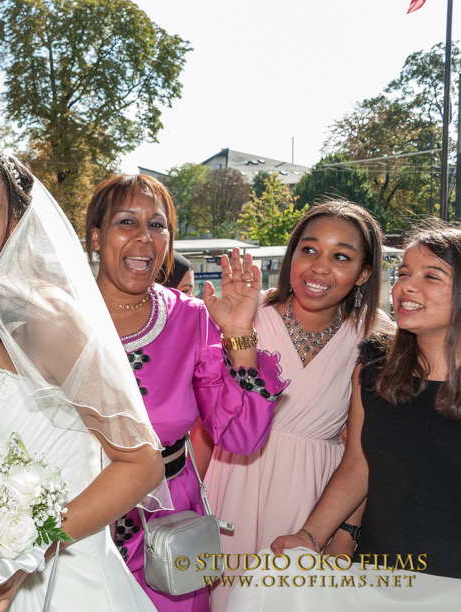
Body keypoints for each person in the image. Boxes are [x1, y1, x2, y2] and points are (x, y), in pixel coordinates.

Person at [0, 140, 170, 612]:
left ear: (14, 225)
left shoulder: (46, 320)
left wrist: (25, 553)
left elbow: (142, 464)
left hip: (67, 579)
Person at [82, 174, 289, 612]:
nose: (144, 238)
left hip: (166, 530)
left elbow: (240, 437)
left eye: (157, 226)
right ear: (96, 236)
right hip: (77, 517)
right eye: (126, 222)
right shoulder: (58, 314)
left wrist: (237, 332)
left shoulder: (189, 318)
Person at [227, 225, 461, 611]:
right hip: (377, 575)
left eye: (430, 276)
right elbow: (357, 465)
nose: (405, 287)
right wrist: (310, 537)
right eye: (403, 273)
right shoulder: (373, 368)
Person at [203, 200, 393, 611]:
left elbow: (367, 452)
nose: (319, 267)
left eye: (341, 256)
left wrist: (345, 530)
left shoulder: (376, 337)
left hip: (315, 498)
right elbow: (213, 421)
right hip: (232, 482)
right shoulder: (247, 314)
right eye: (309, 250)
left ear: (363, 272)